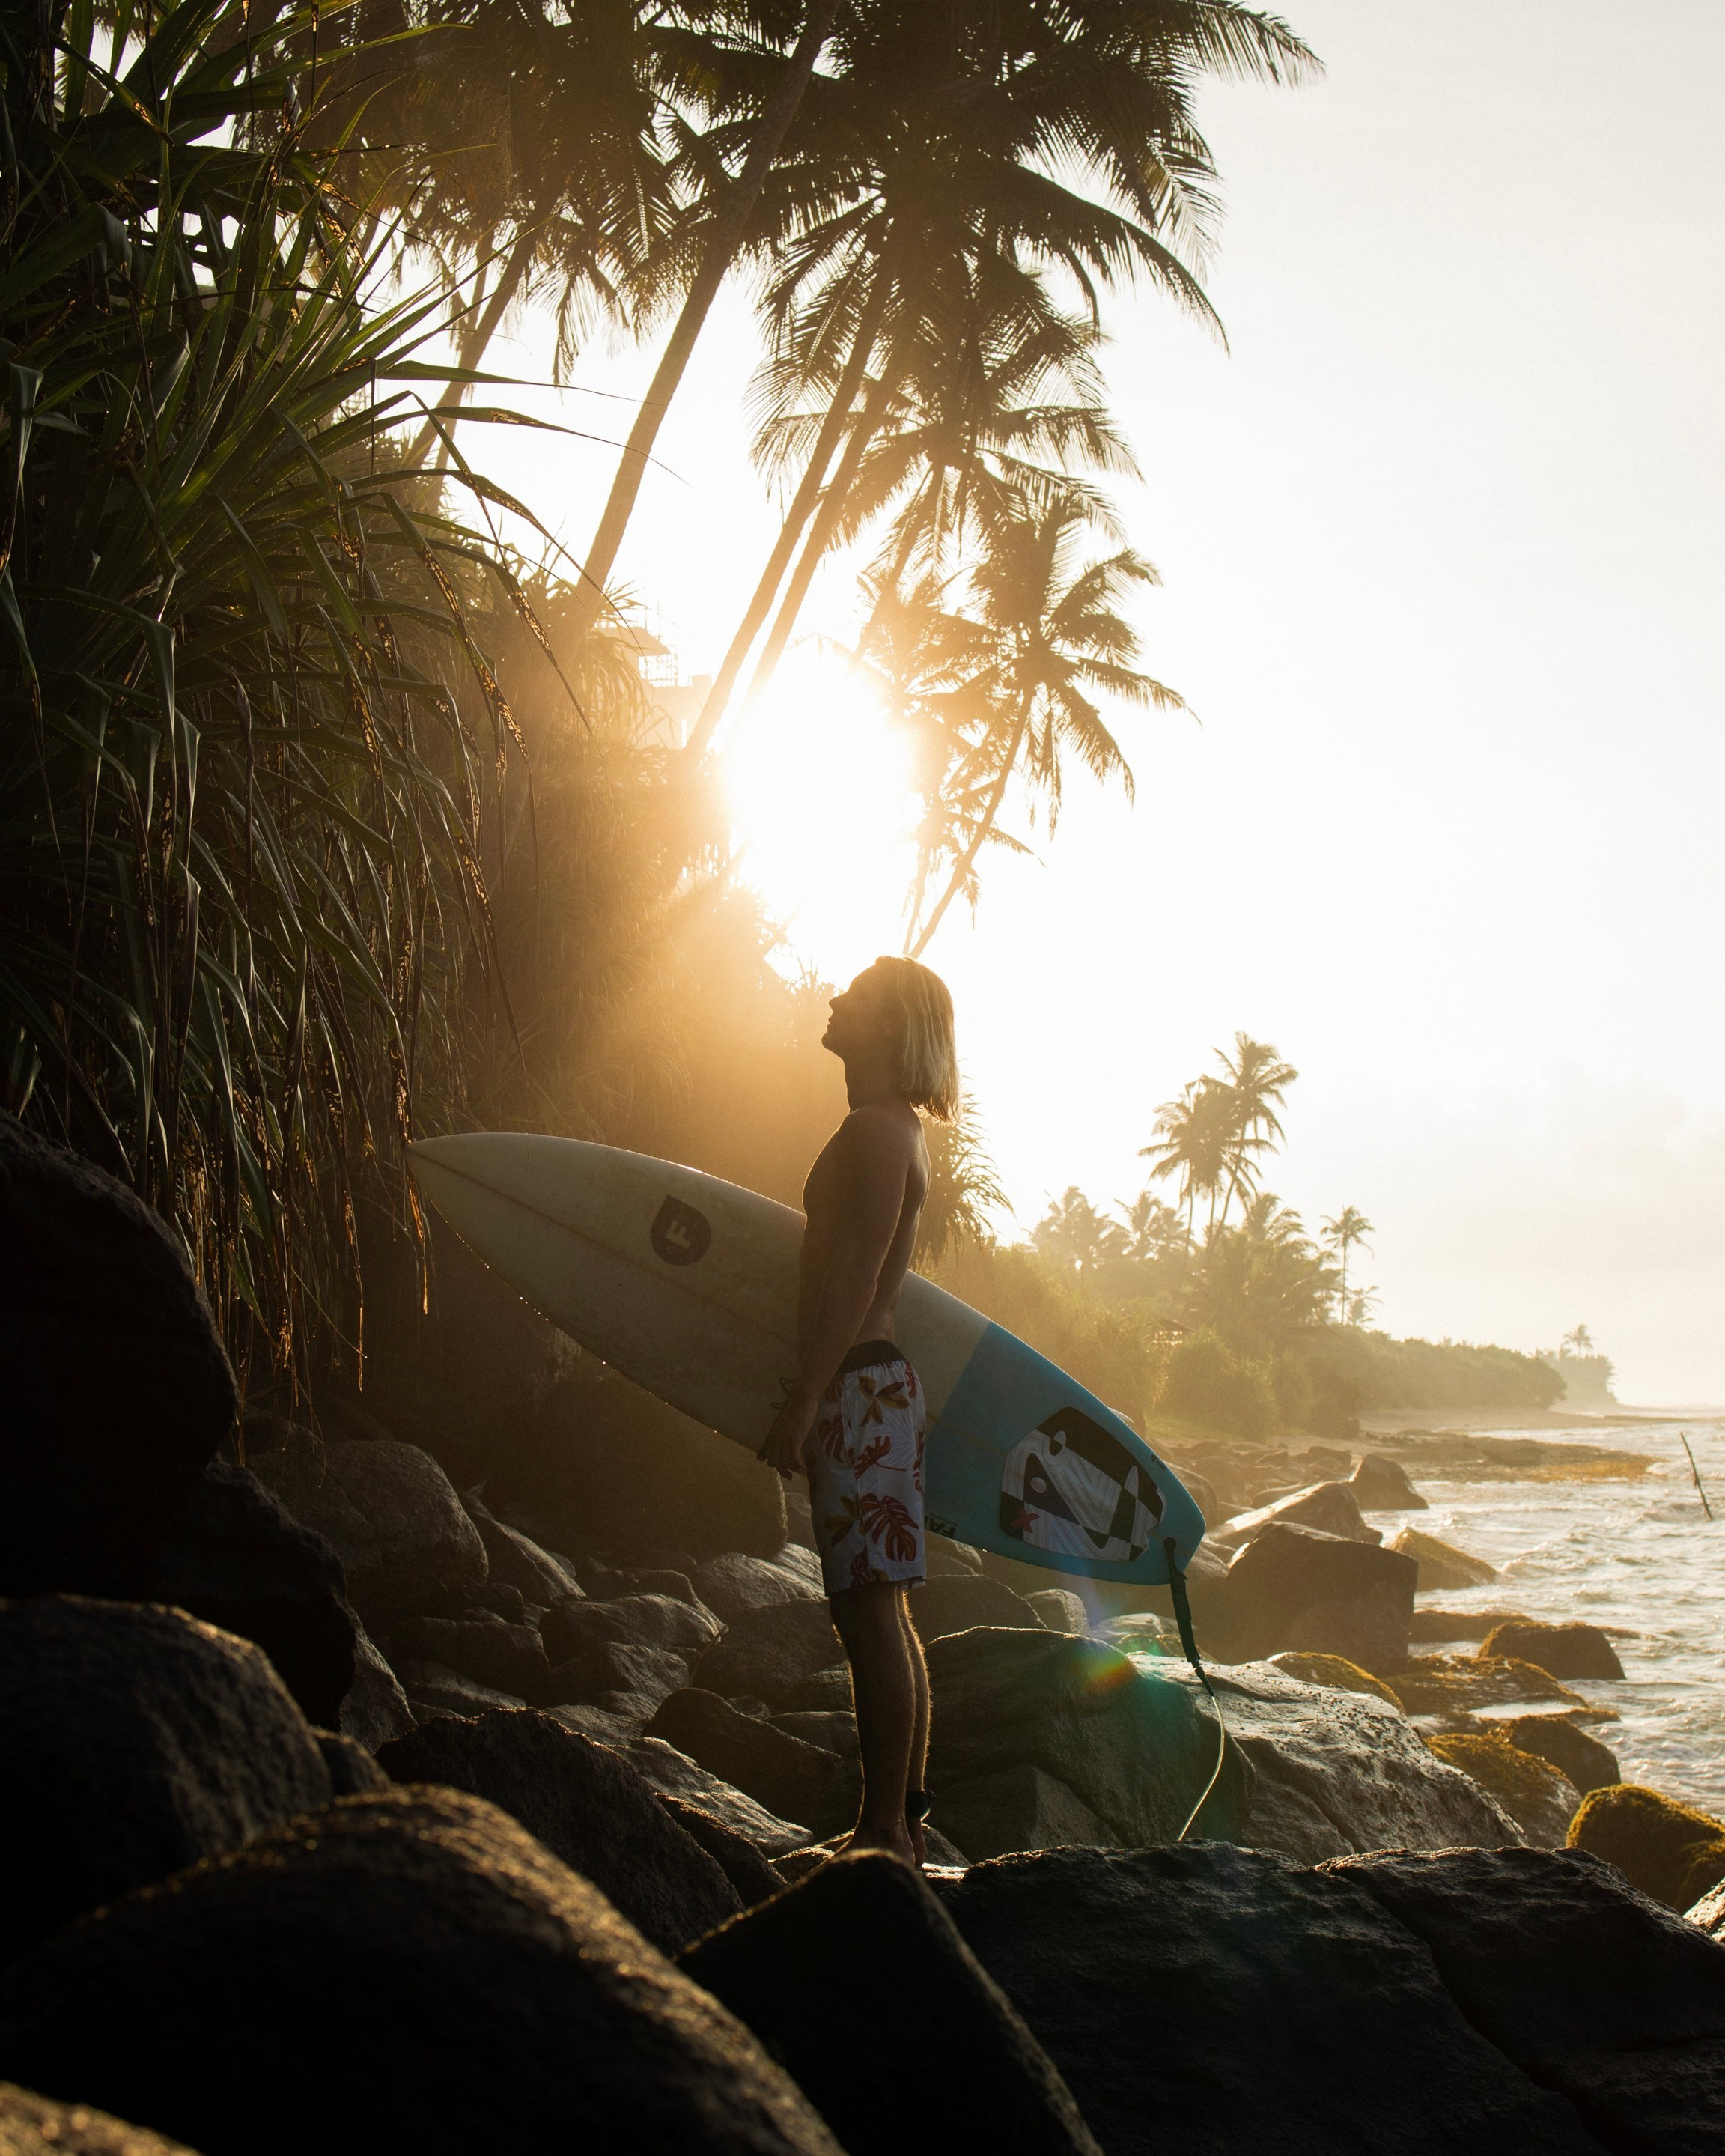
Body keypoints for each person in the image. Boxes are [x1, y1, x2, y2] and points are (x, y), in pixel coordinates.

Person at [759, 954, 959, 1864]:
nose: (836, 997)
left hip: (858, 1388)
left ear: (888, 1025)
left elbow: (852, 1275)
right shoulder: (892, 1127)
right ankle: (903, 1822)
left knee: (869, 1616)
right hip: (872, 1387)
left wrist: (807, 1396)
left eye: (859, 993)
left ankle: (882, 1829)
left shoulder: (878, 1132)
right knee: (882, 1613)